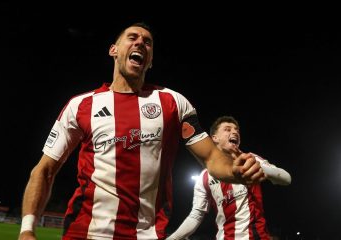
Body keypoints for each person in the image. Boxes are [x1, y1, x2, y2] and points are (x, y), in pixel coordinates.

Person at [18, 23, 265, 240]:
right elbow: (44, 170)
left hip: (146, 234)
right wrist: (27, 229)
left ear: (151, 59)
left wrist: (234, 170)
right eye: (132, 37)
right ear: (113, 50)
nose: (140, 43)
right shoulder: (81, 106)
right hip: (85, 231)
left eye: (147, 42)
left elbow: (212, 158)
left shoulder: (172, 103)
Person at [167, 116, 291, 240]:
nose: (234, 132)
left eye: (236, 130)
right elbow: (196, 214)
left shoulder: (251, 159)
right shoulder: (204, 176)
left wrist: (261, 169)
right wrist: (172, 238)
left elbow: (286, 178)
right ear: (215, 138)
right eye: (227, 129)